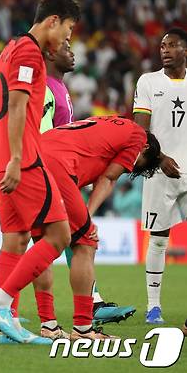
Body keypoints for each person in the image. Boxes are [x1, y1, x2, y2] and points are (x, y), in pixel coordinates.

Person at [0, 0, 80, 344]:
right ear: (53, 21)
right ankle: (1, 302)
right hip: (21, 160)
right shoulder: (28, 52)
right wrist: (18, 160)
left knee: (16, 239)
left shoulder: (10, 47)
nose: (67, 39)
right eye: (67, 31)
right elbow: (19, 106)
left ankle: (10, 330)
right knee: (59, 236)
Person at [16, 116, 160, 341]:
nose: (128, 167)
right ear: (146, 147)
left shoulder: (109, 123)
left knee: (44, 244)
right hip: (58, 163)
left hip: (31, 155)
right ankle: (83, 328)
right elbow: (109, 178)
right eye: (136, 163)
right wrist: (88, 216)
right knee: (86, 243)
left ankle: (48, 324)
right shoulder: (138, 136)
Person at [133, 27, 187, 324]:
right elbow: (140, 130)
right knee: (159, 239)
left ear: (185, 51)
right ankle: (154, 306)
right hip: (158, 170)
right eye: (162, 45)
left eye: (172, 45)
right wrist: (160, 157)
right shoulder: (148, 81)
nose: (164, 49)